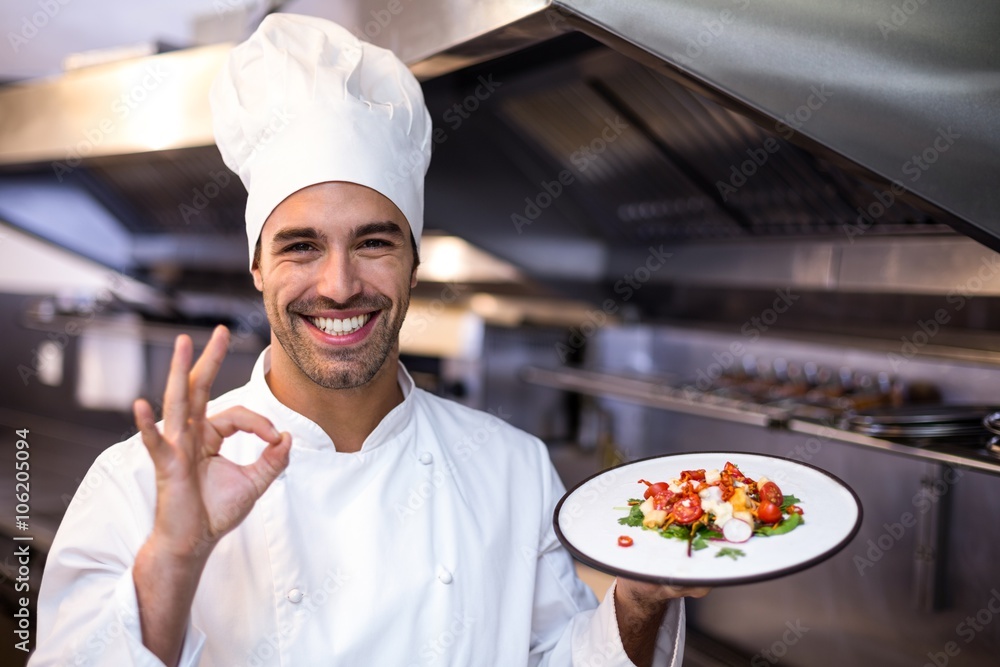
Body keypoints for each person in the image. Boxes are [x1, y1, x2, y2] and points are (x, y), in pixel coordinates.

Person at [30, 13, 706, 667]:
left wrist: (638, 599)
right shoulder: (139, 486)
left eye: (373, 241)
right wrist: (174, 557)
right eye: (301, 246)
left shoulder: (511, 470)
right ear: (258, 266)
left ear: (414, 262)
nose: (339, 284)